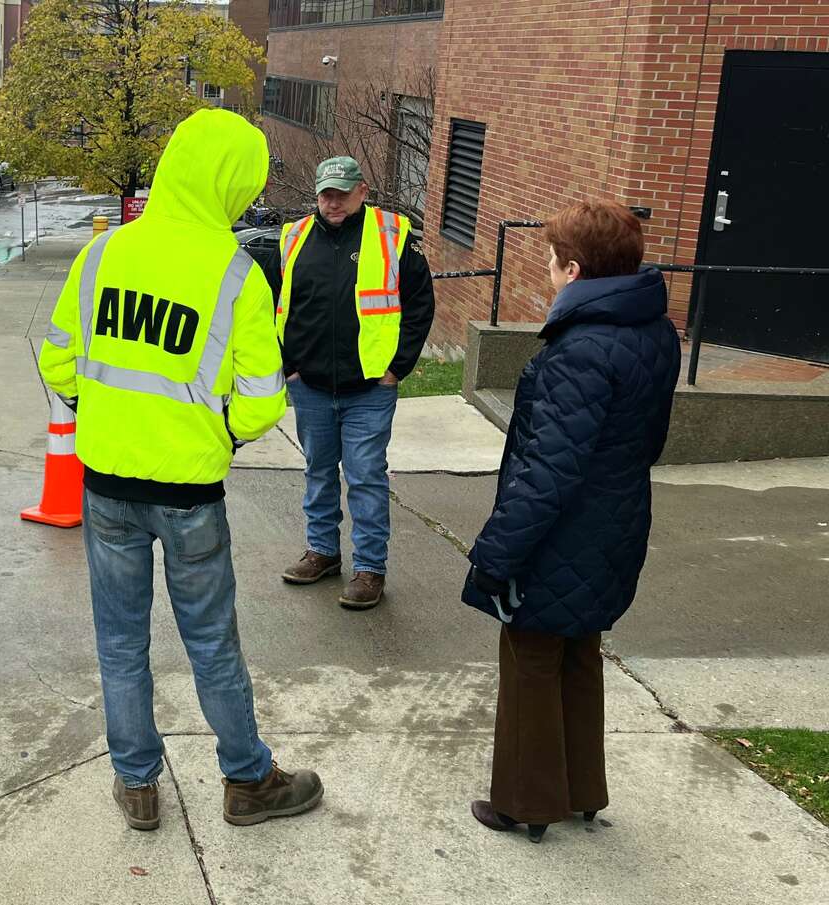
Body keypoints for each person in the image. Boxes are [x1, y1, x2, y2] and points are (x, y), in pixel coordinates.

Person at [39, 109, 324, 831]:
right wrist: (217, 435)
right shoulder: (236, 274)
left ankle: (137, 785)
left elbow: (58, 359)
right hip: (190, 492)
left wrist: (100, 412)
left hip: (105, 486)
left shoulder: (104, 254)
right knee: (212, 642)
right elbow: (262, 403)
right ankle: (247, 777)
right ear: (229, 184)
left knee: (120, 643)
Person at [462, 200, 681, 843]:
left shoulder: (580, 351)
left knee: (531, 653)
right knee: (580, 648)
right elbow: (649, 441)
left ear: (576, 269)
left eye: (554, 262)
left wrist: (497, 554)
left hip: (564, 533)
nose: (548, 272)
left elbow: (546, 473)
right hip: (615, 523)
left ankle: (525, 802)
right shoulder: (654, 332)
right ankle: (582, 788)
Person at [264, 157, 435, 610]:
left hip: (370, 390)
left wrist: (398, 367)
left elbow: (420, 306)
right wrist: (289, 365)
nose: (332, 201)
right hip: (312, 386)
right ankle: (321, 552)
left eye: (341, 192)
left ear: (362, 191)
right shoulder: (293, 237)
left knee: (365, 478)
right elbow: (273, 306)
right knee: (318, 473)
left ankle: (369, 570)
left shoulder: (394, 235)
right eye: (325, 193)